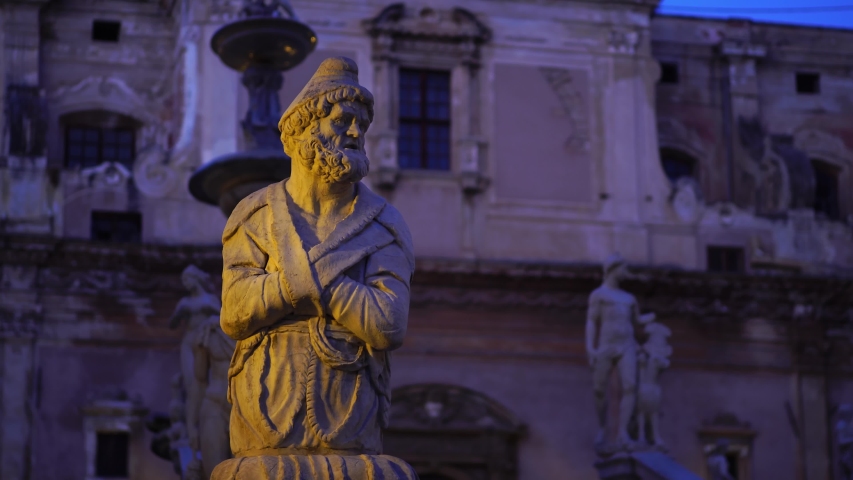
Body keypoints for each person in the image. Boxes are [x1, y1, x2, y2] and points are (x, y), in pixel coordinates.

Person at [213, 57, 416, 479]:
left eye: (361, 125)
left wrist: (300, 284)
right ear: (303, 130)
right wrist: (334, 281)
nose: (356, 133)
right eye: (342, 121)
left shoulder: (385, 223)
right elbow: (234, 312)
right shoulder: (254, 215)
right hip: (267, 407)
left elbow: (388, 323)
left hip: (350, 413)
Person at [586, 253, 654, 449]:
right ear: (613, 269)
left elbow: (637, 320)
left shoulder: (629, 298)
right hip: (606, 344)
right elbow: (592, 321)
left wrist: (650, 318)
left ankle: (623, 432)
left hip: (627, 344)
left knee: (630, 386)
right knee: (599, 389)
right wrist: (590, 347)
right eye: (623, 268)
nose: (626, 272)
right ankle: (602, 426)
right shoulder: (599, 295)